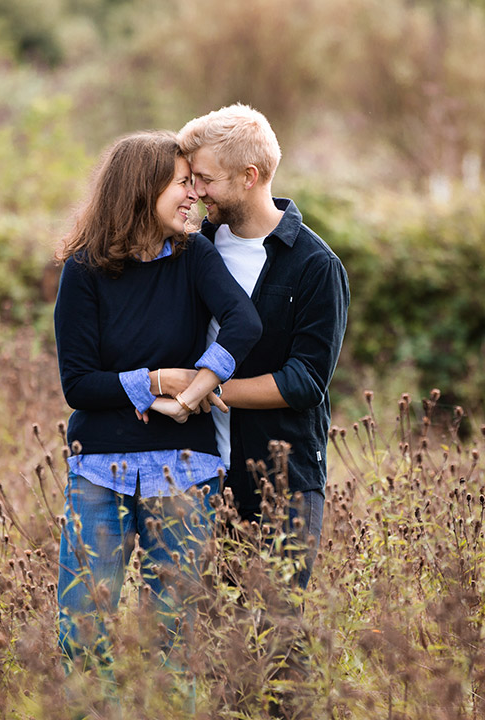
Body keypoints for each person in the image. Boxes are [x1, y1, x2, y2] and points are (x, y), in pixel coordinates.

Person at [53, 131, 262, 690]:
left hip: (185, 470)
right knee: (82, 632)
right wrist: (155, 381)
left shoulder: (195, 257)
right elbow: (78, 384)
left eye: (196, 183)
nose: (194, 195)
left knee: (176, 635)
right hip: (100, 470)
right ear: (142, 190)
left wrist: (196, 391)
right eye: (182, 184)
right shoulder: (84, 270)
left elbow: (245, 321)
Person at [157, 104, 349, 590]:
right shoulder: (190, 247)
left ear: (249, 176)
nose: (195, 192)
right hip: (197, 474)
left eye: (205, 179)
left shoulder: (314, 266)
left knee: (275, 636)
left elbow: (306, 381)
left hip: (281, 480)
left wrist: (207, 390)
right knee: (206, 637)